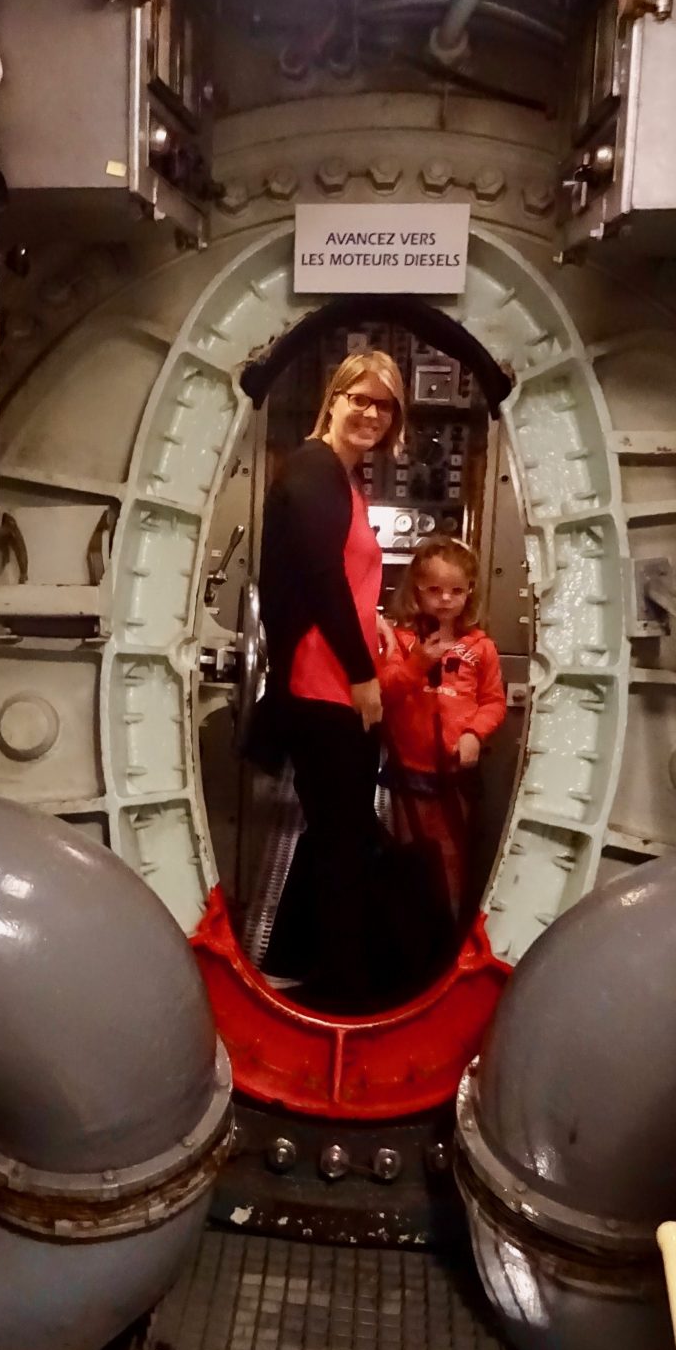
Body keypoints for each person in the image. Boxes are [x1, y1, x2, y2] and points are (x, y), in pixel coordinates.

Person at [253, 349, 406, 1010]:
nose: (371, 414)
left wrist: (377, 623)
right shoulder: (316, 469)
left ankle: (292, 959)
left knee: (331, 829)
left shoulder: (339, 477)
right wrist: (363, 674)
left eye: (384, 406)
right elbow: (320, 580)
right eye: (359, 399)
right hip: (326, 686)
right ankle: (342, 989)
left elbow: (340, 577)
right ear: (335, 399)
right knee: (344, 838)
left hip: (332, 675)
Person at [377, 536, 507, 929]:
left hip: (454, 774)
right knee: (410, 850)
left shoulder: (481, 647)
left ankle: (445, 928)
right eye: (434, 590)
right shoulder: (399, 641)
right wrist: (417, 664)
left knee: (451, 852)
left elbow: (493, 702)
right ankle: (409, 928)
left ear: (470, 592)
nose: (445, 599)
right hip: (409, 770)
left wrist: (474, 734)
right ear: (417, 589)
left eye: (456, 591)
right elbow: (384, 693)